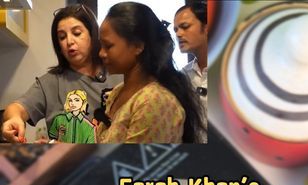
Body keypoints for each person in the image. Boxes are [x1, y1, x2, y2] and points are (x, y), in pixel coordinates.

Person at [97, 2, 205, 144]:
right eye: (101, 46)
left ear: (138, 46)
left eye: (108, 46)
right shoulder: (118, 91)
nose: (101, 53)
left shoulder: (155, 102)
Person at [1, 6, 111, 144]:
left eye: (77, 33)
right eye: (62, 37)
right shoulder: (50, 82)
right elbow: (16, 108)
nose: (69, 41)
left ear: (93, 35)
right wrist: (14, 118)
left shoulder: (117, 73)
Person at [174, 1, 208, 142]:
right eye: (175, 30)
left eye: (185, 27)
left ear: (207, 28)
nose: (179, 34)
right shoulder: (183, 75)